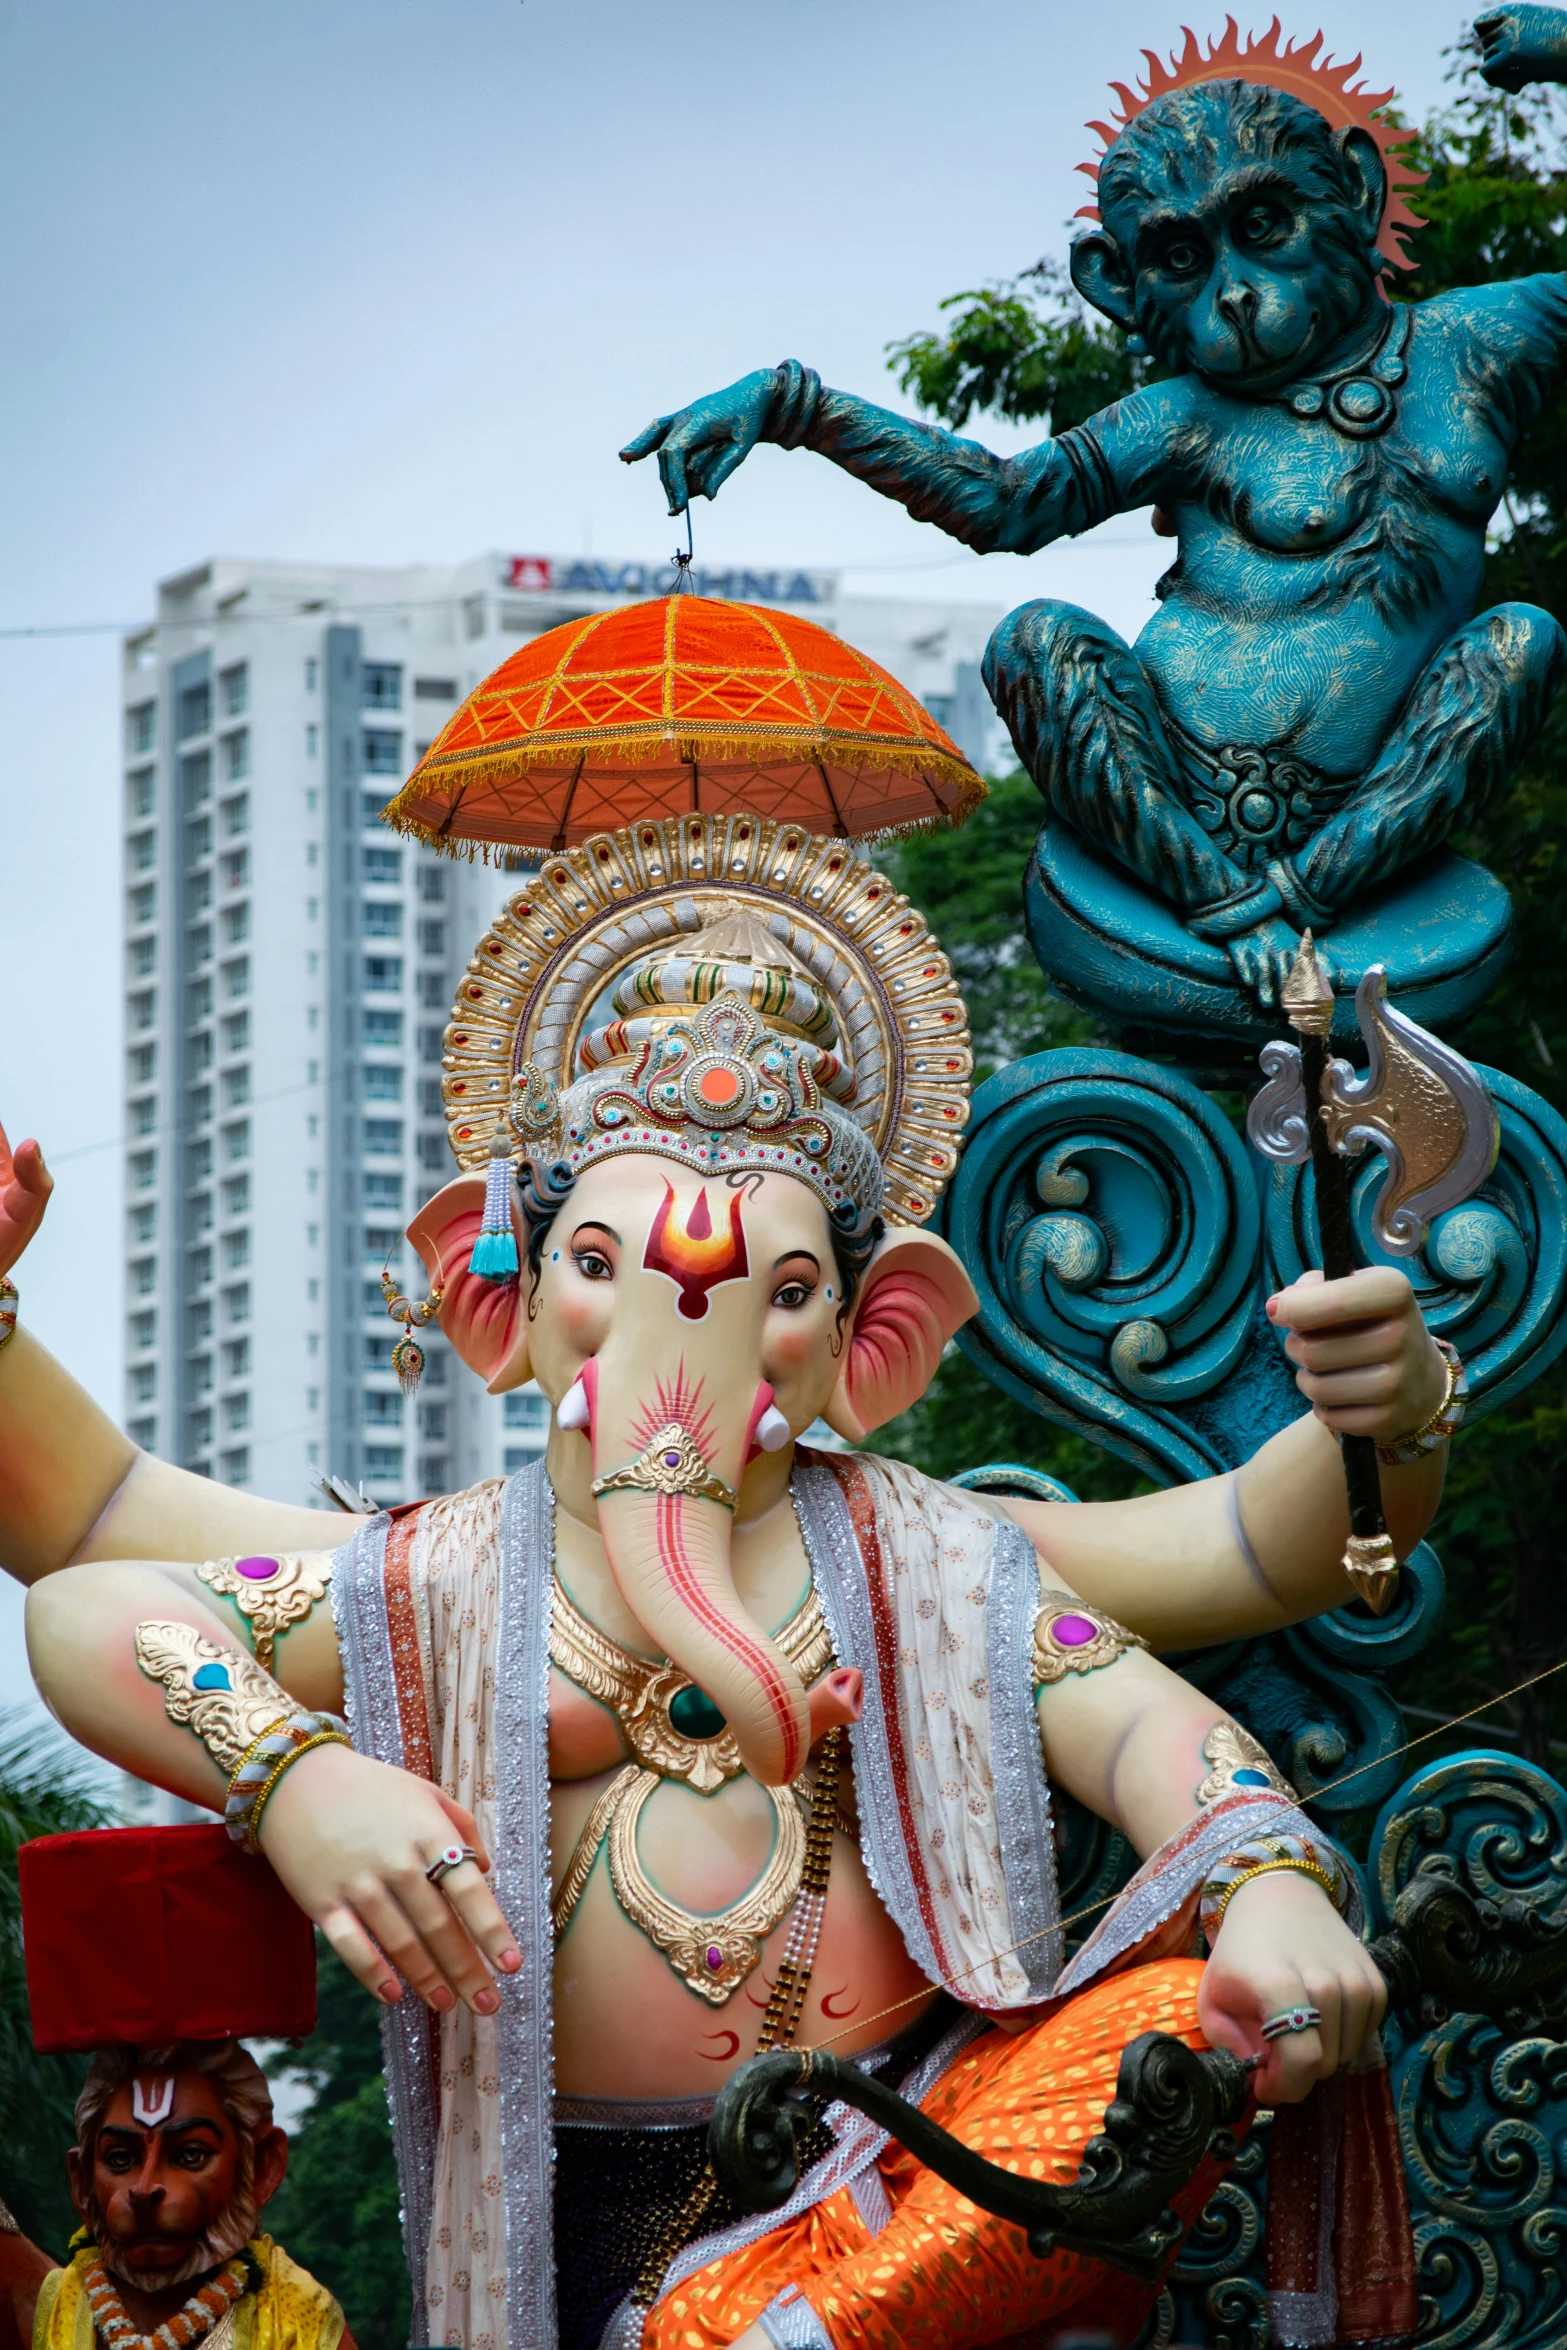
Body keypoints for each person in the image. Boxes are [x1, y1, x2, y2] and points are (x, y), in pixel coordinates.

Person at [4, 826, 1448, 2350]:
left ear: (869, 1338)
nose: (670, 1338)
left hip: (903, 2171)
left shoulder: (931, 1564)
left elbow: (1201, 1635)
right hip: (560, 2206)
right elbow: (83, 1591)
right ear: (497, 1294)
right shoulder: (426, 1579)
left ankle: (774, 2326)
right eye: (600, 1266)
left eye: (782, 1288)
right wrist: (298, 1781)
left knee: (1163, 2032)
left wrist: (1273, 1870)